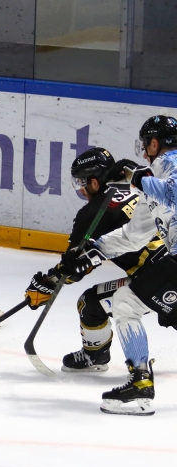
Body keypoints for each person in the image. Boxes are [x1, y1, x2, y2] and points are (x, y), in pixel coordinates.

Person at [61, 116, 177, 416]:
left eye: (146, 145)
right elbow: (133, 235)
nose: (144, 153)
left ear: (154, 143)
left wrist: (138, 178)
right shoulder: (153, 177)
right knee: (127, 302)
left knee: (125, 302)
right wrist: (92, 251)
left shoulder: (169, 165)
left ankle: (140, 386)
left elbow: (174, 194)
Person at [24, 148, 166, 373]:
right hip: (172, 261)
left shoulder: (90, 215)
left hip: (155, 280)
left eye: (82, 182)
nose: (82, 189)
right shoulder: (136, 177)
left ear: (93, 181)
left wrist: (46, 285)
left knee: (89, 303)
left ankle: (96, 356)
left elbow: (74, 266)